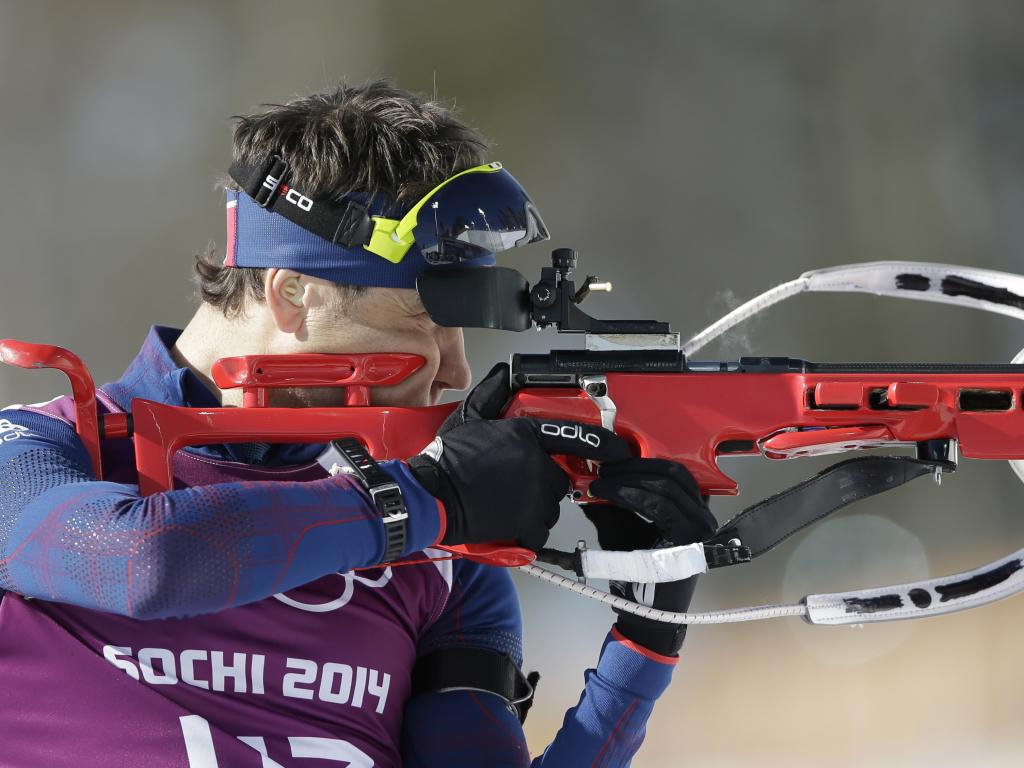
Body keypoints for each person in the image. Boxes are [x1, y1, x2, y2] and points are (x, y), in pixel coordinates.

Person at [0, 81, 716, 767]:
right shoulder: (39, 450)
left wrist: (643, 644)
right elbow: (145, 563)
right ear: (294, 294)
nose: (456, 371)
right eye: (424, 319)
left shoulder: (442, 552)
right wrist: (428, 499)